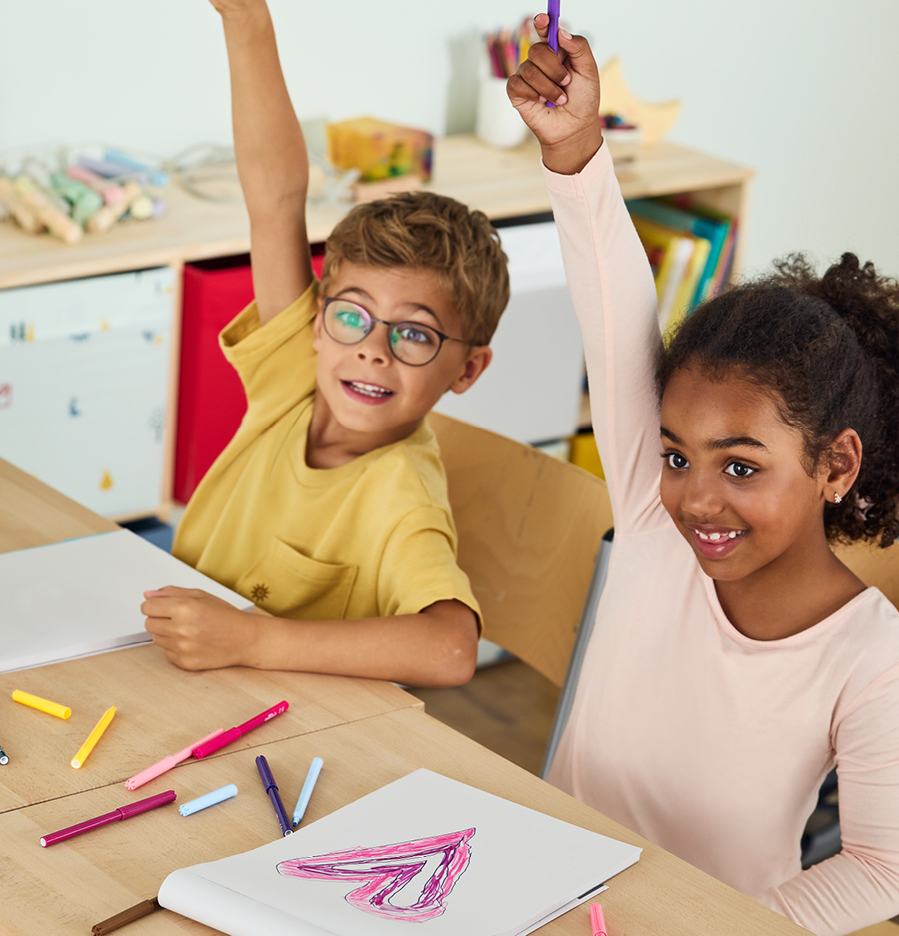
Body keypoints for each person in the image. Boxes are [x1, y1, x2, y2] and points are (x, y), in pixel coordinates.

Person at [508, 15, 899, 936]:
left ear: (835, 464)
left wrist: (713, 924)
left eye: (742, 466)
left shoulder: (871, 655)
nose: (697, 496)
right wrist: (574, 151)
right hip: (532, 894)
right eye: (678, 454)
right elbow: (616, 317)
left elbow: (882, 865)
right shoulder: (653, 516)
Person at [141, 0, 510, 687]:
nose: (373, 350)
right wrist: (245, 19)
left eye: (415, 335)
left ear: (468, 368)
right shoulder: (298, 376)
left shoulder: (402, 492)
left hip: (287, 727)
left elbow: (452, 650)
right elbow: (276, 199)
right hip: (177, 673)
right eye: (353, 317)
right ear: (317, 321)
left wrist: (251, 638)